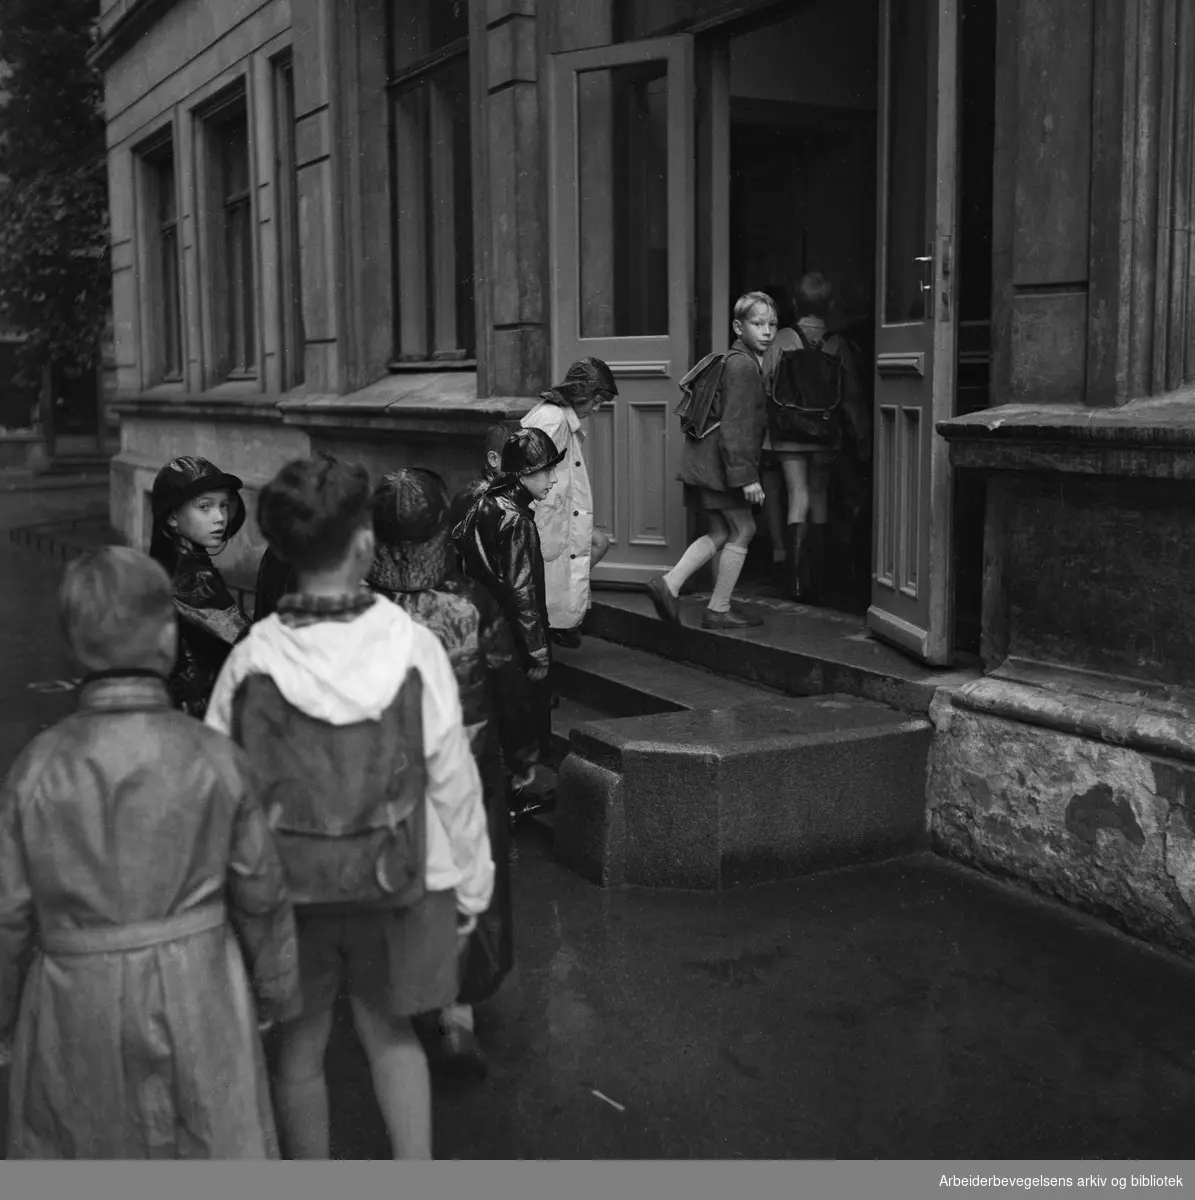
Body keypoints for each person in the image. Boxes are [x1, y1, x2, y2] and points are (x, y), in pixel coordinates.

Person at [205, 454, 493, 1161]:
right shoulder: (412, 645)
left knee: (299, 1053)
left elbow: (222, 787)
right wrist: (471, 884)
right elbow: (450, 772)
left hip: (289, 894)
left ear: (280, 547)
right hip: (395, 886)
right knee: (392, 1035)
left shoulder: (251, 660)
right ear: (365, 545)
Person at [0, 547, 300, 1159]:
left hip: (73, 999)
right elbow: (261, 891)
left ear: (74, 649)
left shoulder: (37, 769)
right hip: (201, 986)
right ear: (167, 642)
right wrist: (275, 990)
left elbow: (8, 913)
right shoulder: (213, 757)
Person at [369, 468, 539, 1078]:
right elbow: (507, 683)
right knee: (469, 883)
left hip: (385, 779)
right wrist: (524, 755)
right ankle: (459, 1016)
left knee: (403, 886)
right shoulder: (469, 602)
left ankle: (409, 999)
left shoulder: (360, 609)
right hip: (467, 770)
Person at [646, 291, 775, 631]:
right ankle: (715, 607)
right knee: (744, 528)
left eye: (772, 324)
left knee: (721, 530)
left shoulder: (732, 360)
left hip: (704, 462)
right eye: (757, 323)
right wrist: (747, 477)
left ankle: (671, 584)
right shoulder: (744, 366)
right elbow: (736, 427)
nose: (767, 331)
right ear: (738, 326)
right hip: (722, 467)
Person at [453, 426, 565, 774]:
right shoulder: (516, 521)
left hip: (489, 629)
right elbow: (522, 590)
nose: (553, 479)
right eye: (546, 471)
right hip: (514, 635)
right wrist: (537, 650)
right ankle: (523, 786)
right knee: (525, 716)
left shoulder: (486, 504)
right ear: (524, 473)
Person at [761, 272, 870, 605]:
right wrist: (863, 434)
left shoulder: (782, 339)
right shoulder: (837, 344)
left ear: (795, 304)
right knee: (819, 496)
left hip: (789, 432)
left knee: (797, 495)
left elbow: (765, 381)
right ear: (830, 306)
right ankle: (819, 580)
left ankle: (794, 580)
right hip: (825, 433)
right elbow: (850, 396)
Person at [520, 358, 617, 649]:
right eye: (596, 401)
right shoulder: (554, 420)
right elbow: (529, 469)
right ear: (580, 394)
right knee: (581, 552)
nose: (597, 409)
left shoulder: (558, 417)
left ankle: (558, 620)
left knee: (592, 546)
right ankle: (552, 624)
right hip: (546, 516)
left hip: (552, 513)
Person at [149, 455, 251, 717]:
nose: (220, 518)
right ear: (172, 516)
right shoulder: (191, 579)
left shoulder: (167, 560)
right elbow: (244, 639)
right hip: (198, 711)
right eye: (204, 507)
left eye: (224, 506)